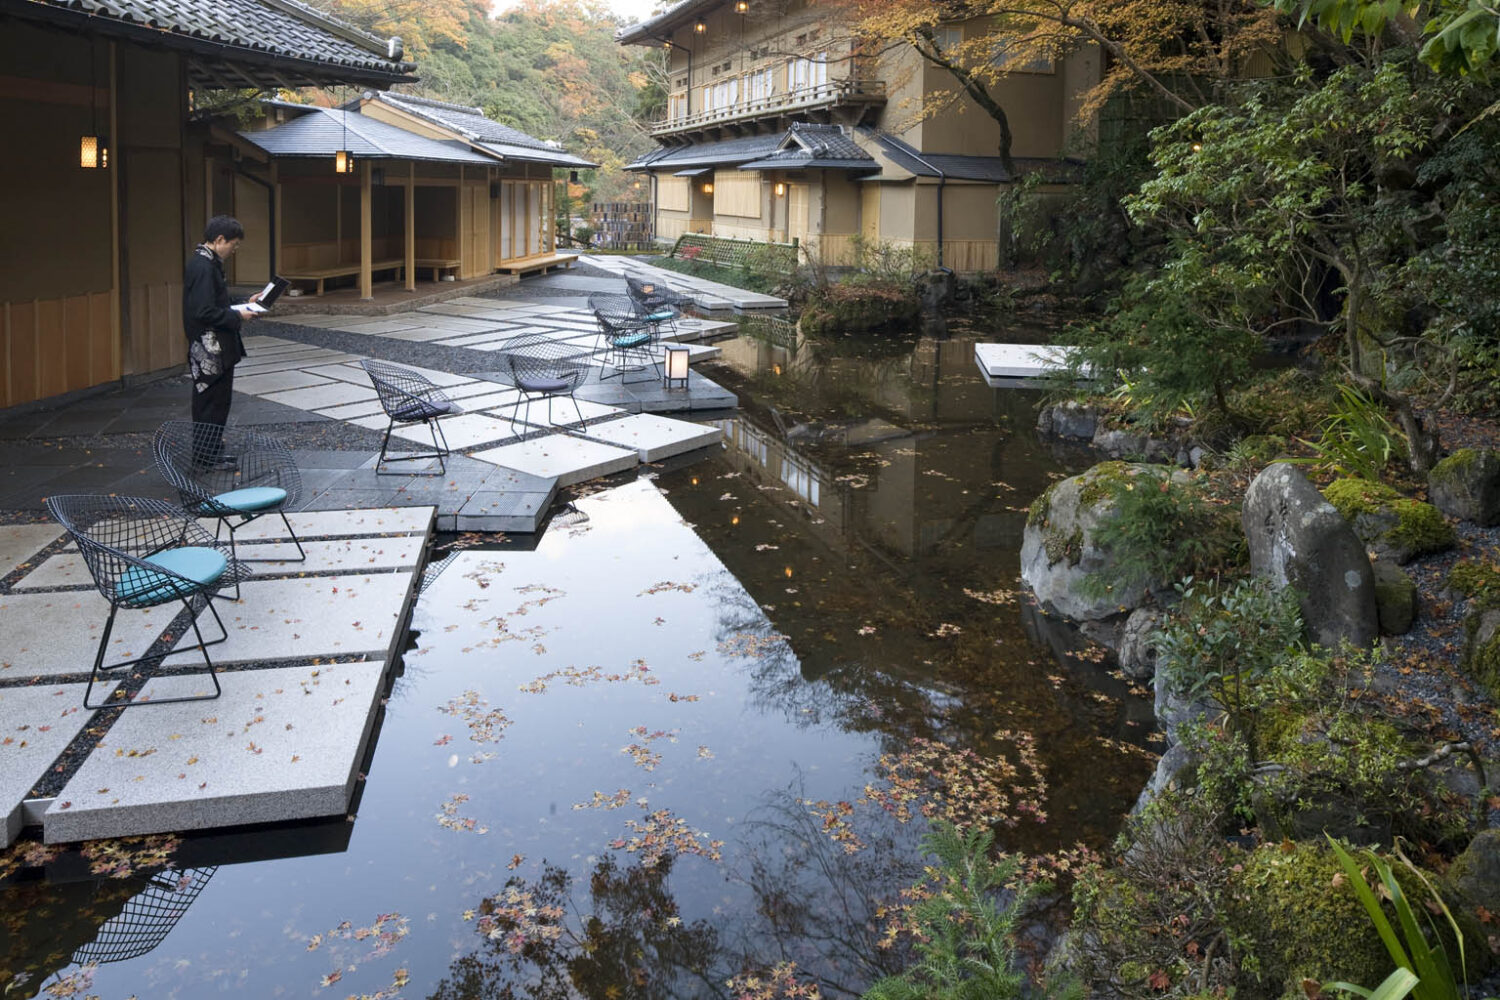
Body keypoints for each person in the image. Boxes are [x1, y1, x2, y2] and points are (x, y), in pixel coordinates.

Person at [183, 215, 259, 469]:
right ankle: (205, 457)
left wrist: (244, 305)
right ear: (219, 240)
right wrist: (238, 314)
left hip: (212, 348)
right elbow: (204, 312)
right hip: (210, 350)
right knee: (210, 405)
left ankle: (212, 452)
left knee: (217, 402)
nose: (234, 250)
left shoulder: (206, 262)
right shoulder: (204, 267)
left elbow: (213, 306)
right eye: (234, 244)